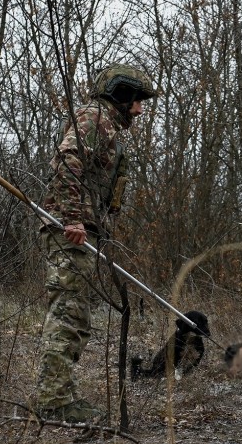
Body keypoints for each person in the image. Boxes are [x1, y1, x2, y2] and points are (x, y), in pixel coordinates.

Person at [33, 64, 158, 423]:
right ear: (121, 95)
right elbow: (68, 161)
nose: (139, 109)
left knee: (76, 314)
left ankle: (59, 393)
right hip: (69, 230)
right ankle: (53, 401)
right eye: (137, 101)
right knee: (68, 314)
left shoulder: (105, 125)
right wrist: (72, 217)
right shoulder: (93, 117)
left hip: (83, 230)